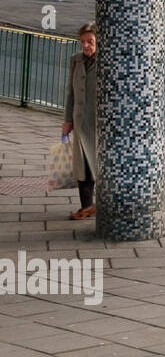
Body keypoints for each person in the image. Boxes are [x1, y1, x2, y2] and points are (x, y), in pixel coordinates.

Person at [62, 22, 98, 220]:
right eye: (83, 42)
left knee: (94, 164)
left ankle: (92, 206)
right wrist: (67, 119)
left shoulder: (106, 63)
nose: (86, 46)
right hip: (79, 122)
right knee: (81, 167)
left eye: (90, 41)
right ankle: (86, 206)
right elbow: (71, 93)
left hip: (97, 124)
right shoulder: (75, 61)